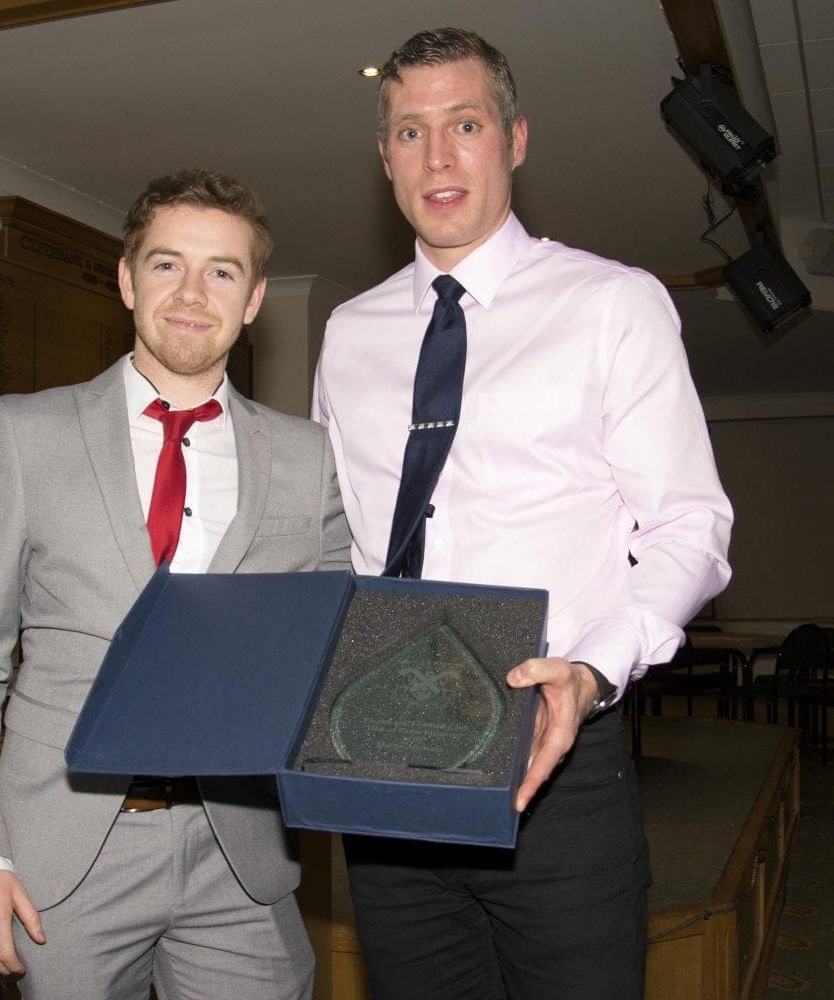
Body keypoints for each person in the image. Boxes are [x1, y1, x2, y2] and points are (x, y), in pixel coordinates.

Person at [312, 27, 733, 1000]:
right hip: (385, 756)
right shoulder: (347, 333)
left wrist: (592, 669)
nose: (438, 156)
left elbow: (690, 525)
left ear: (515, 138)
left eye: (464, 124)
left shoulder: (611, 304)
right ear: (385, 158)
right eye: (410, 132)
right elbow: (340, 538)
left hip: (554, 759)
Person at [0, 168, 351, 1000]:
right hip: (63, 859)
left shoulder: (309, 459)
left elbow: (335, 649)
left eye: (221, 271)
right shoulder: (26, 434)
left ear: (253, 299)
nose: (192, 293)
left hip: (242, 861)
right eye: (167, 264)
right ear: (127, 280)